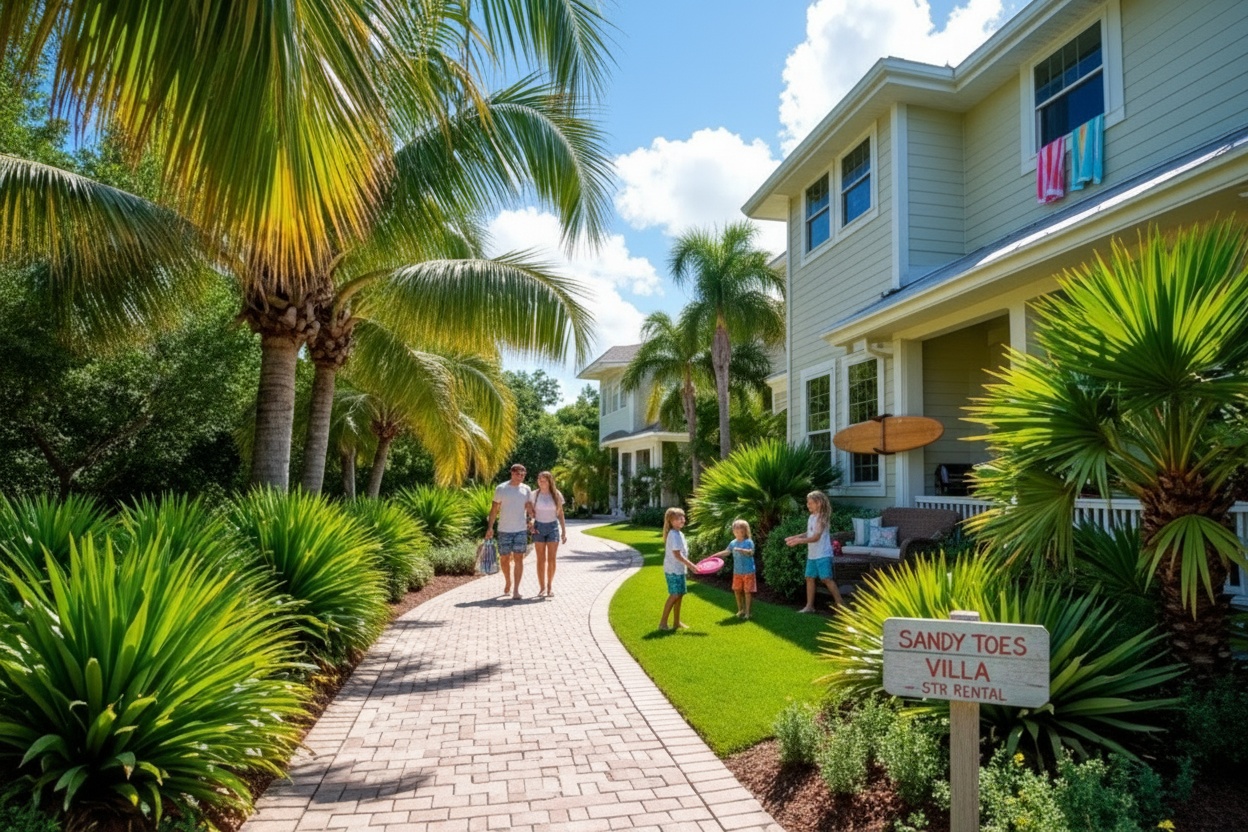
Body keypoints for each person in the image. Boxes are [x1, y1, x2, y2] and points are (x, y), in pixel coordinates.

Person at [785, 491, 845, 613]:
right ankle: (809, 606)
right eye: (808, 502)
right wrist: (794, 537)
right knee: (809, 578)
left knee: (826, 579)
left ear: (819, 503)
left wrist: (798, 541)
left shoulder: (821, 518)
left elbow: (816, 537)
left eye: (810, 502)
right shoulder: (811, 517)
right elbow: (809, 534)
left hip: (823, 554)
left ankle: (842, 606)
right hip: (812, 555)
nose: (808, 505)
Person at [484, 463, 534, 599]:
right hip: (504, 529)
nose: (521, 477)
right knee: (505, 559)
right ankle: (508, 581)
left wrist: (531, 520)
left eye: (523, 475)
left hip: (520, 529)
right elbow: (494, 509)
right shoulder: (501, 488)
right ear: (512, 473)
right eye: (518, 474)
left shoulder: (526, 489)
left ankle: (516, 590)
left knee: (519, 558)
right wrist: (490, 528)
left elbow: (529, 508)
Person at [659, 507, 697, 630]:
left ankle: (676, 622)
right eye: (677, 518)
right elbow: (677, 554)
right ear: (670, 521)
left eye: (682, 517)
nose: (682, 520)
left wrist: (687, 565)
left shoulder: (679, 534)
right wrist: (691, 565)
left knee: (680, 595)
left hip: (679, 569)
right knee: (674, 595)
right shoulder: (673, 535)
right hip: (673, 569)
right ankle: (663, 623)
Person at [531, 470, 567, 598]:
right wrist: (530, 525)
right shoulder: (534, 495)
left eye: (544, 480)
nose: (541, 482)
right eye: (539, 479)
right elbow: (529, 513)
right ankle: (542, 588)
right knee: (541, 559)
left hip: (553, 527)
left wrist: (564, 531)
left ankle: (550, 586)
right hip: (539, 527)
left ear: (549, 481)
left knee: (551, 559)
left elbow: (561, 514)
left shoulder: (556, 494)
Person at [710, 519, 757, 618]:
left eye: (739, 529)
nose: (736, 531)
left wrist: (741, 550)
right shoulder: (733, 543)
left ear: (744, 531)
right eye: (735, 529)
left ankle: (748, 613)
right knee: (737, 590)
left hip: (748, 571)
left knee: (747, 591)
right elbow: (727, 552)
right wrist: (715, 556)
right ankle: (741, 610)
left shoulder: (749, 542)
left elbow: (751, 552)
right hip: (737, 572)